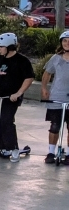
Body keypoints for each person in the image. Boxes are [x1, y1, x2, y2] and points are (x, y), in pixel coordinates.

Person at [0, 32, 35, 162]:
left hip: (11, 98)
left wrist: (18, 93)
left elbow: (29, 78)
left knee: (7, 122)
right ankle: (1, 148)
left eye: (1, 47)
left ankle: (14, 149)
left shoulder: (22, 61)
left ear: (9, 47)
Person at [40, 30, 69, 163]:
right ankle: (51, 152)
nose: (67, 43)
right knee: (54, 126)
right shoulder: (55, 58)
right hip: (56, 96)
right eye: (64, 41)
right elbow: (47, 74)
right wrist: (44, 88)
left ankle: (68, 154)